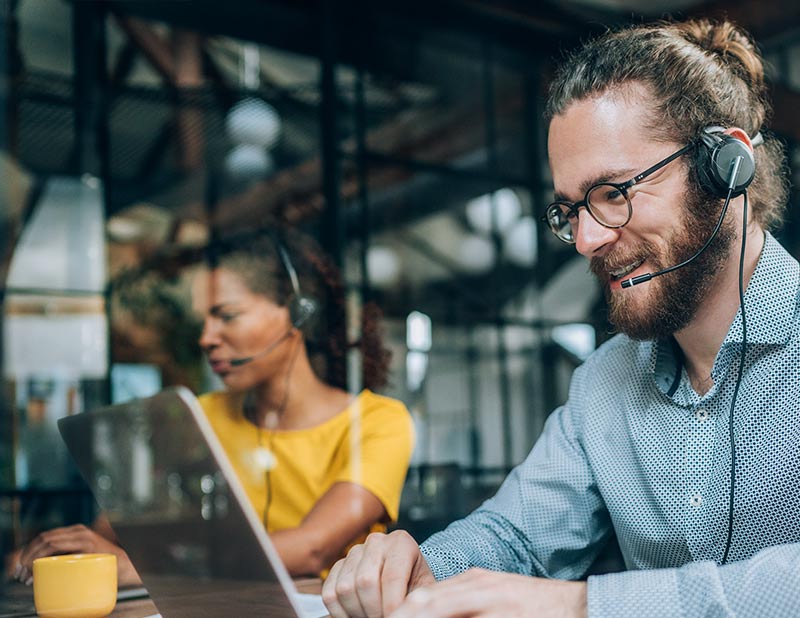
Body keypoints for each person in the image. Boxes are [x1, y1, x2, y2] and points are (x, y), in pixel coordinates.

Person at [322, 18, 798, 618]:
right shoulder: (604, 382)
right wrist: (420, 565)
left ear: (725, 166)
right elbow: (516, 537)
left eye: (614, 192)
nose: (586, 240)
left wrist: (582, 605)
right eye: (571, 210)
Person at [12, 227, 414, 586]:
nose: (206, 338)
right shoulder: (196, 416)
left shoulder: (378, 421)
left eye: (227, 316)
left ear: (297, 312)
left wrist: (150, 570)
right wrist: (73, 553)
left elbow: (312, 549)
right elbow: (117, 530)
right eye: (203, 320)